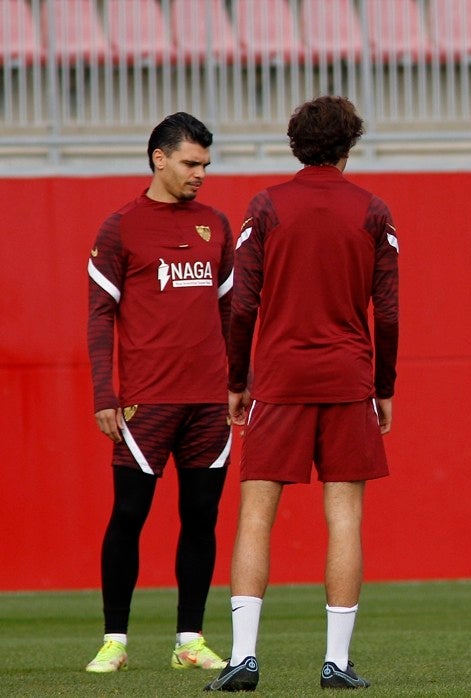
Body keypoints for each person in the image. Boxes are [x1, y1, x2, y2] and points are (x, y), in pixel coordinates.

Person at [207, 96, 399, 692]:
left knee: (255, 517)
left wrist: (237, 380)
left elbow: (243, 304)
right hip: (348, 379)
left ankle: (242, 659)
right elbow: (388, 312)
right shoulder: (373, 210)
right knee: (344, 520)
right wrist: (384, 386)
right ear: (348, 146)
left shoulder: (265, 206)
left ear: (296, 145)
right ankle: (336, 663)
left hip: (280, 380)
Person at [84, 112, 233, 674]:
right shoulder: (120, 227)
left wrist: (238, 383)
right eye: (192, 163)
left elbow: (232, 312)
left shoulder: (216, 224)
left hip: (208, 402)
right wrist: (105, 393)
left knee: (201, 517)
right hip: (145, 402)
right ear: (159, 158)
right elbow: (100, 316)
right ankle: (114, 641)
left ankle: (189, 640)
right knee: (129, 514)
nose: (201, 174)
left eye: (206, 165)